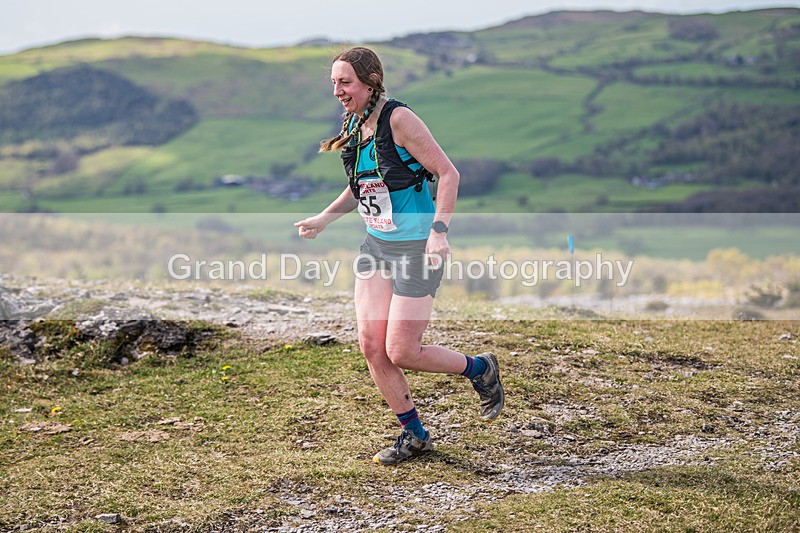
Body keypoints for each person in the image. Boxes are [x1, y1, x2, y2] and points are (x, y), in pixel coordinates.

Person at [294, 46, 504, 466]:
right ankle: (415, 435)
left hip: (417, 250)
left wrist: (439, 232)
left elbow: (448, 174)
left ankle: (479, 368)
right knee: (372, 346)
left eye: (345, 82)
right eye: (334, 82)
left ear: (370, 81)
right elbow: (362, 187)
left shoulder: (399, 119)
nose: (338, 90)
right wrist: (323, 219)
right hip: (376, 247)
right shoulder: (354, 125)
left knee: (402, 350)